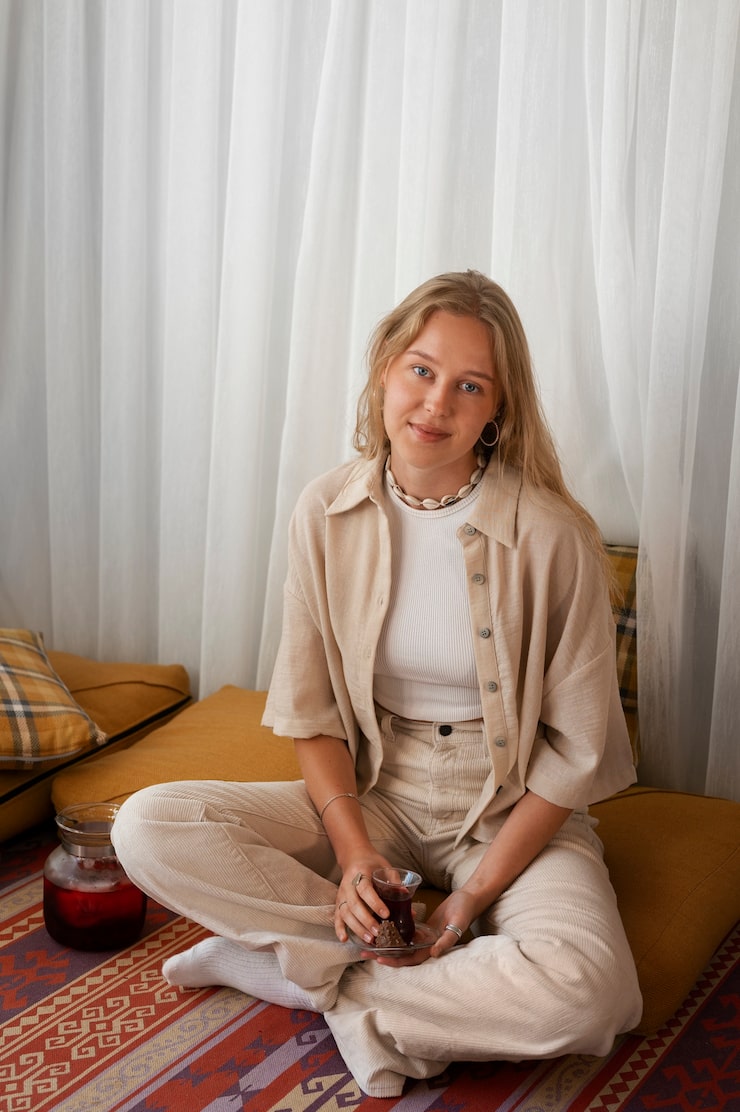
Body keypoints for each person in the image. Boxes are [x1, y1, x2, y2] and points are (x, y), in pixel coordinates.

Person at [112, 270, 642, 1098]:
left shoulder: (552, 535)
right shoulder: (324, 509)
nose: (436, 404)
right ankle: (389, 974)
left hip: (511, 809)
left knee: (589, 992)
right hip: (377, 792)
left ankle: (298, 976)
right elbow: (314, 712)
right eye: (421, 370)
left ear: (499, 409)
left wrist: (471, 898)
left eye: (471, 385)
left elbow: (576, 753)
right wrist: (356, 852)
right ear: (385, 368)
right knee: (147, 825)